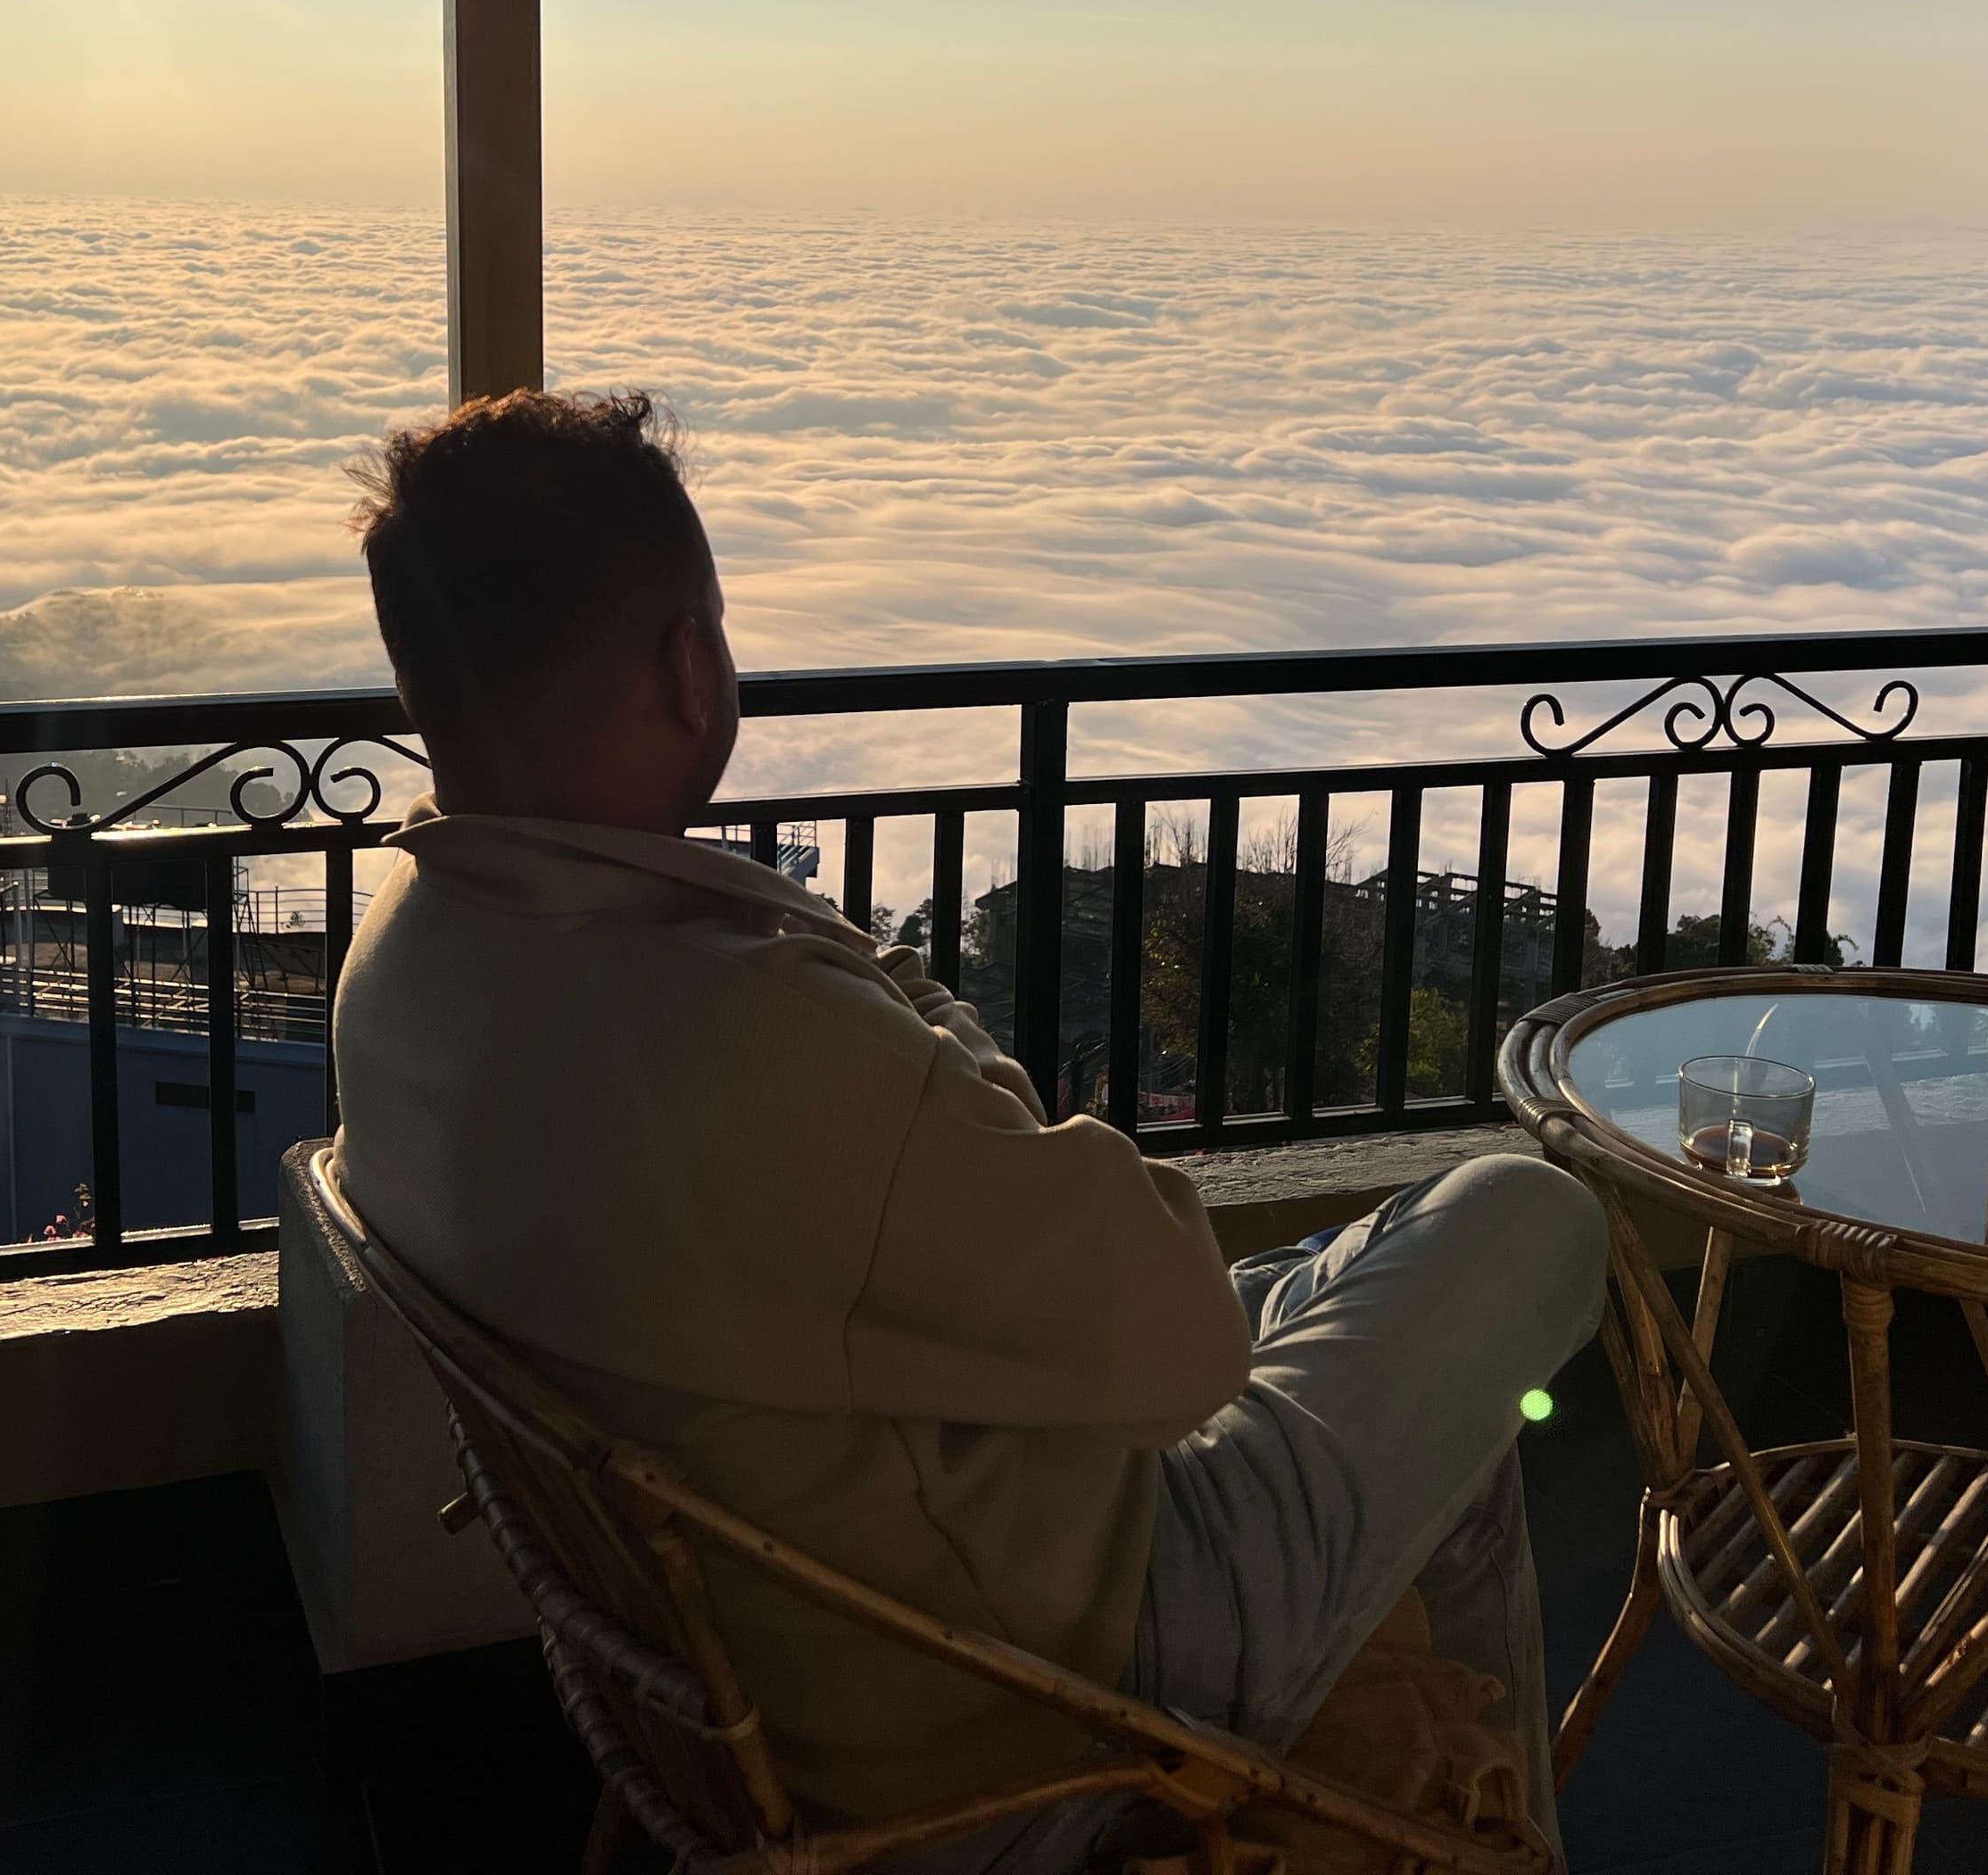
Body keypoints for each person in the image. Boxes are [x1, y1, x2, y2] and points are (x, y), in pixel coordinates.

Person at [329, 387, 1605, 1866]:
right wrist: (885, 994)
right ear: (689, 667)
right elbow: (1181, 1335)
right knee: (1526, 1214)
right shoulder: (734, 1028)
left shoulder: (409, 964)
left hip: (786, 1634)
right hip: (1031, 1673)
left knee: (1420, 1402)